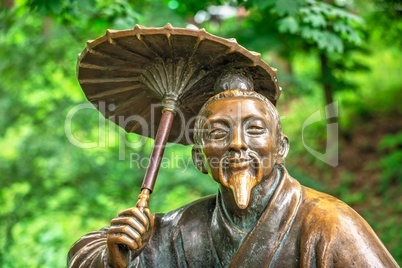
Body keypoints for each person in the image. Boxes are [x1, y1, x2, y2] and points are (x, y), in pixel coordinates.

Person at [68, 74, 398, 268]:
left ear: (280, 147)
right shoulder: (183, 230)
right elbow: (81, 254)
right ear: (199, 158)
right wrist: (114, 257)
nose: (237, 144)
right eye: (218, 132)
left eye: (254, 129)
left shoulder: (329, 226)